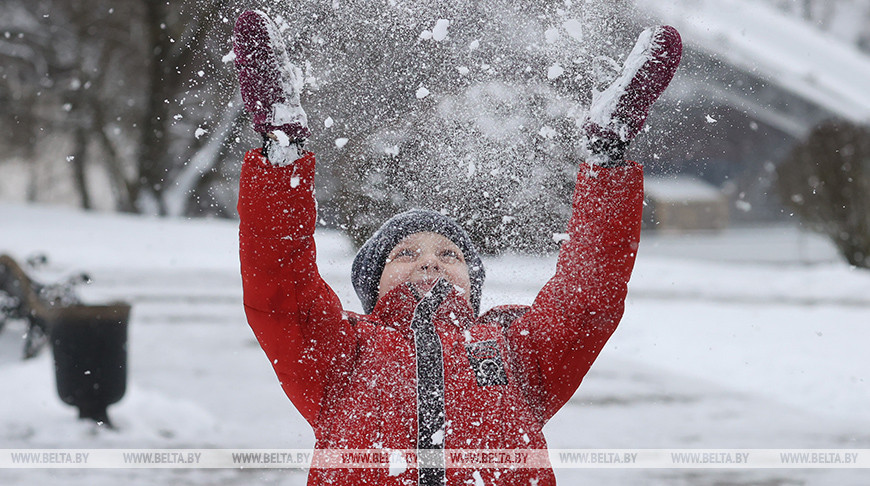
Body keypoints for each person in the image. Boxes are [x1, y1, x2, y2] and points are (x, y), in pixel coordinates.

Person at [234, 10, 681, 486]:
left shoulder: (516, 353)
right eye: (406, 253)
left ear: (473, 284)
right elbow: (279, 281)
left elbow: (589, 292)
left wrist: (607, 158)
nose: (430, 259)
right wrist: (281, 149)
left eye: (450, 254)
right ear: (372, 282)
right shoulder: (342, 354)